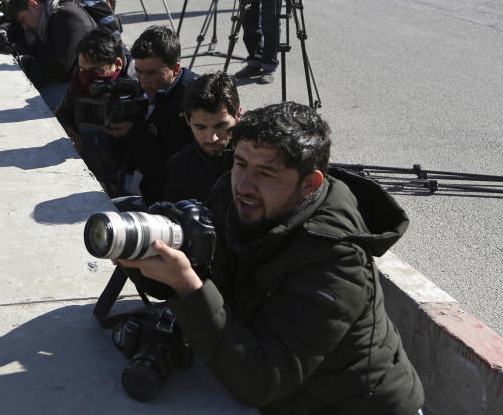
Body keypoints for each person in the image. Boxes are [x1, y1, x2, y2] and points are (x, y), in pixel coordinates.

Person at [117, 102, 425, 414]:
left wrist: (189, 288)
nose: (245, 185)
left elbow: (260, 382)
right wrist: (141, 258)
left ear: (310, 184)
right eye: (240, 163)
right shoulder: (233, 196)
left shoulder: (335, 258)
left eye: (266, 173)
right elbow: (201, 270)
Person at [103, 26, 197, 204]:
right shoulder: (138, 88)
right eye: (138, 71)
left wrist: (135, 133)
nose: (144, 81)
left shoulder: (192, 102)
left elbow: (170, 171)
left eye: (152, 73)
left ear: (175, 69)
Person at [54, 29, 136, 194]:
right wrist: (69, 132)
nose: (87, 77)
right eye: (83, 68)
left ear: (117, 64)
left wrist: (133, 129)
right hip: (90, 163)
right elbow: (63, 112)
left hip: (127, 170)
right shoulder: (79, 81)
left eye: (96, 71)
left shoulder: (136, 83)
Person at [6, 0, 99, 107]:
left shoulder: (66, 17)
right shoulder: (47, 14)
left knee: (35, 102)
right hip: (72, 78)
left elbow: (61, 70)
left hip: (85, 83)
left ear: (33, 5)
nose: (25, 27)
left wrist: (34, 43)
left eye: (23, 20)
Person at [164, 72, 241, 203]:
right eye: (201, 127)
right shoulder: (179, 166)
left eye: (220, 125)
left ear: (238, 115)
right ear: (188, 119)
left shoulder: (259, 160)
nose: (212, 138)